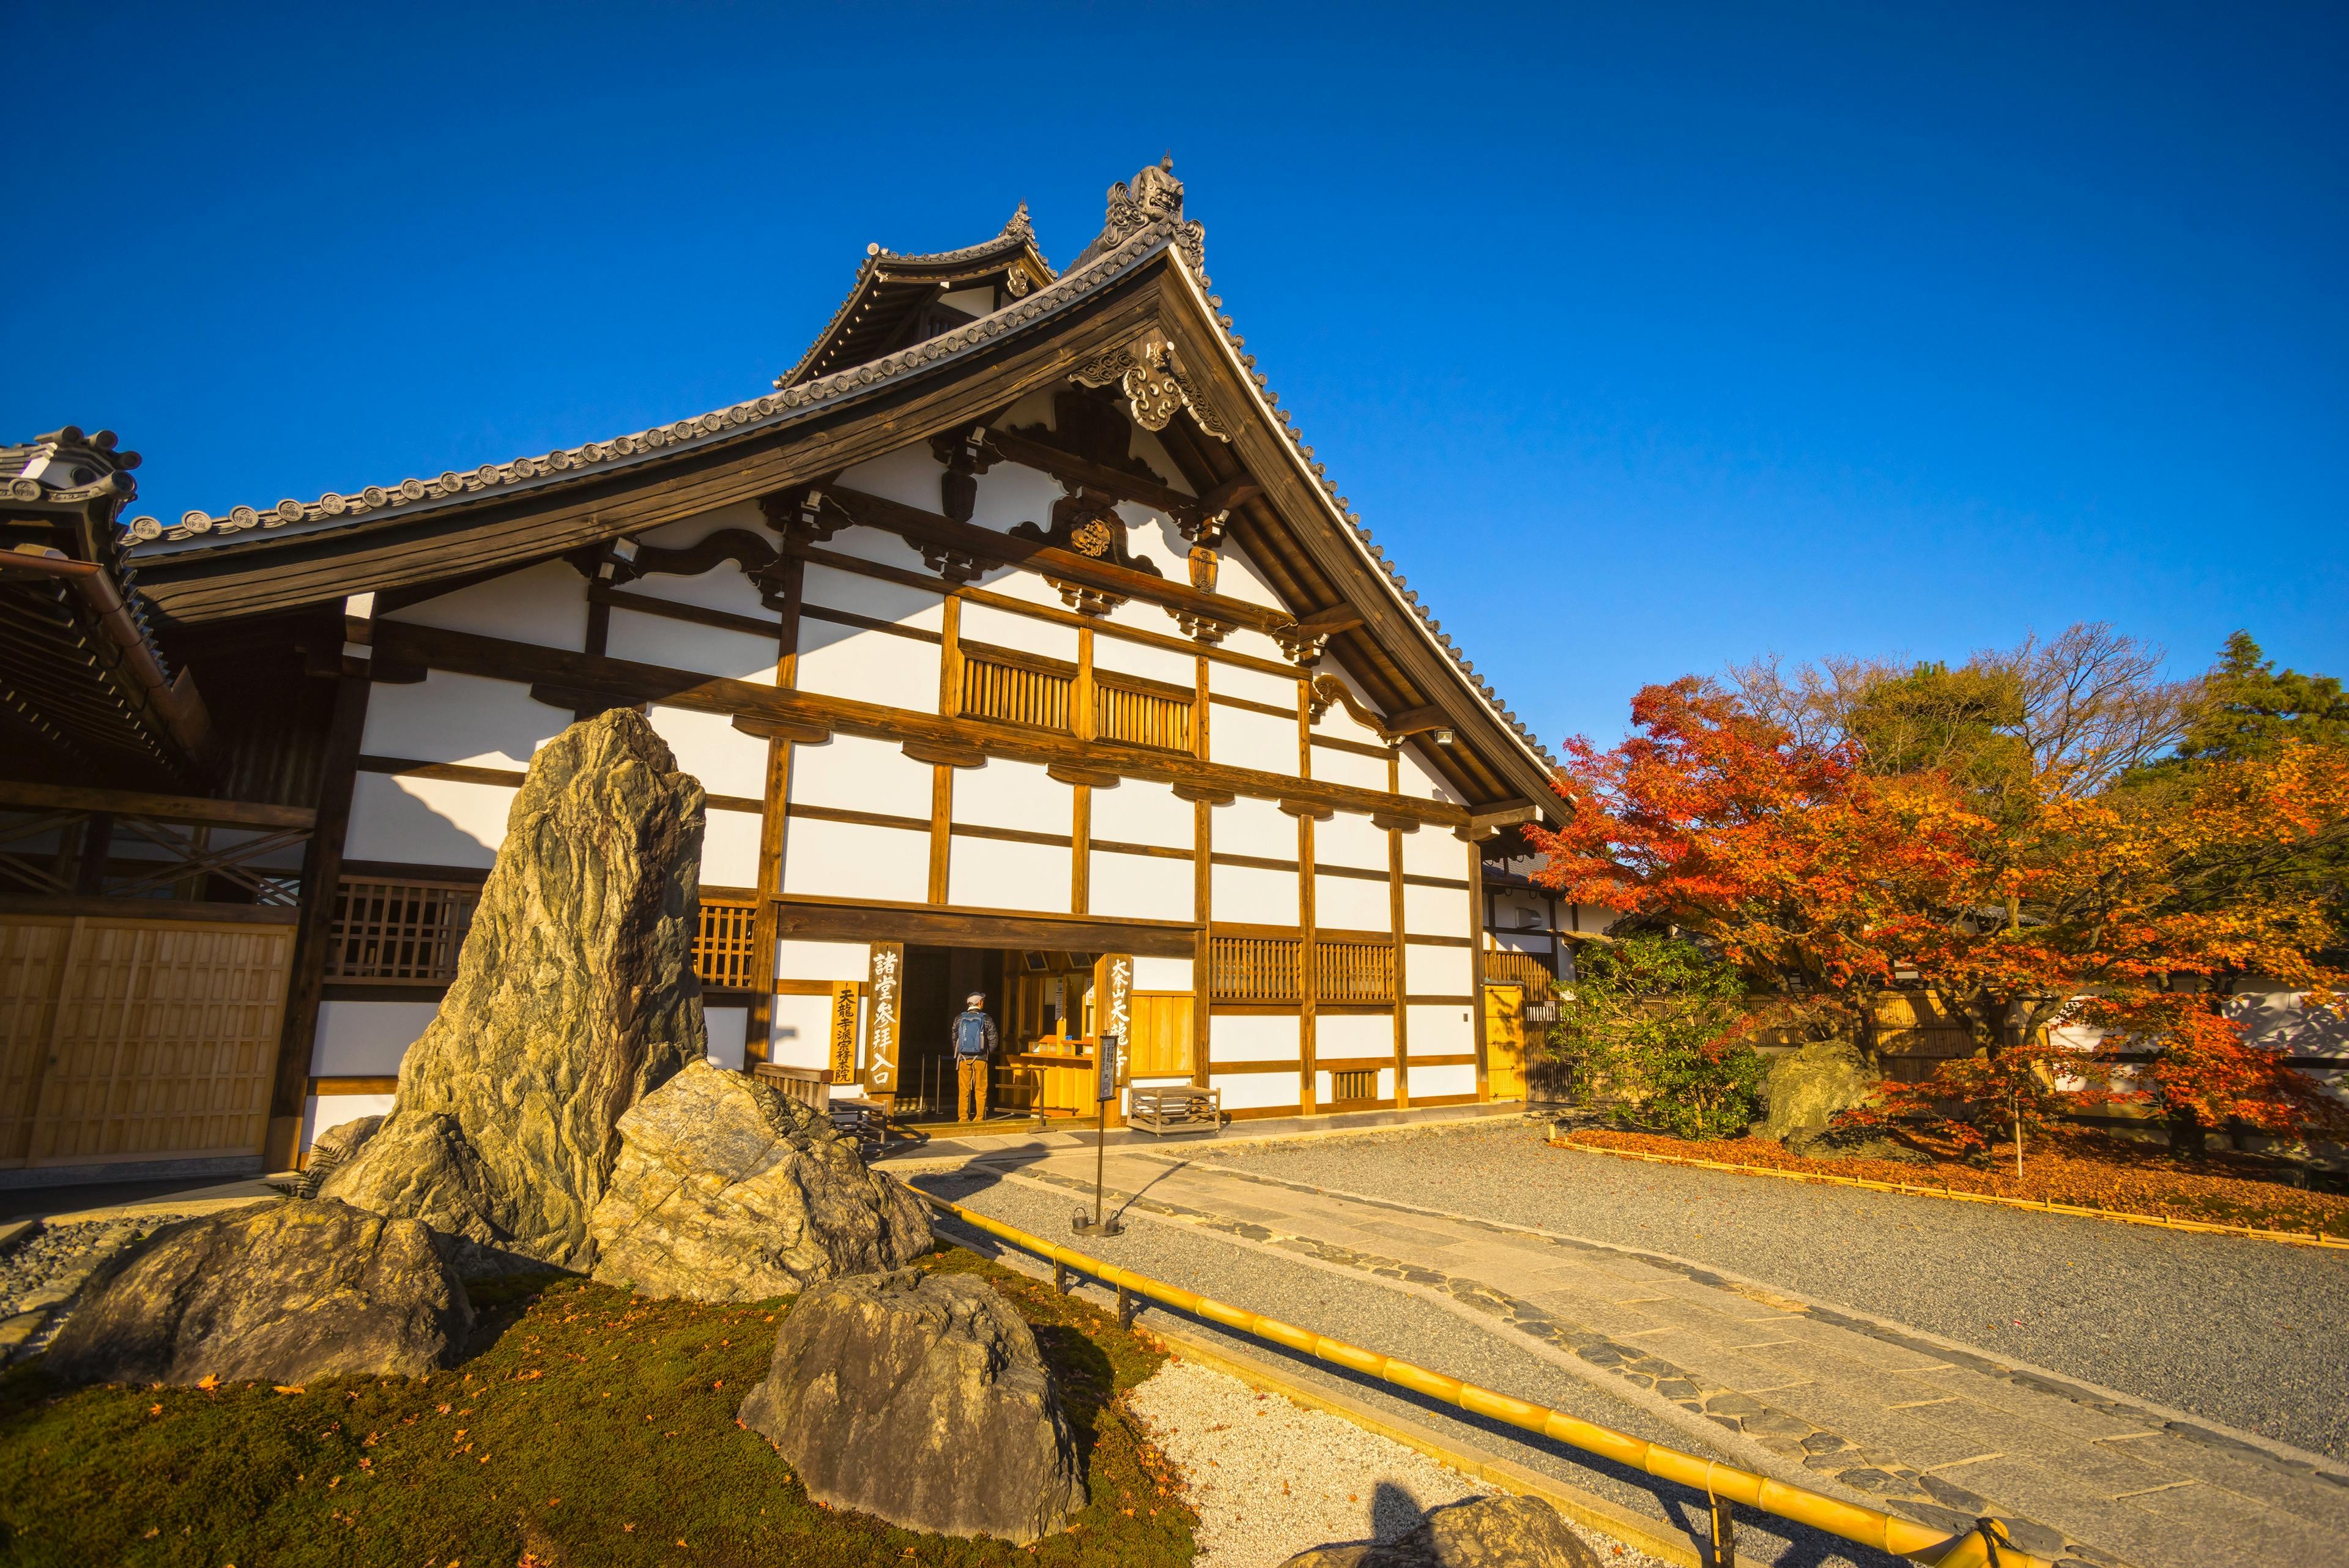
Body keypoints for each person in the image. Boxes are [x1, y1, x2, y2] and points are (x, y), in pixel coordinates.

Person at [952, 992, 1000, 1124]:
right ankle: (979, 1117)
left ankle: (963, 1118)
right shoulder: (986, 1019)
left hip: (963, 1058)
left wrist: (960, 1052)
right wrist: (986, 1053)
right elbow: (994, 1039)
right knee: (981, 1089)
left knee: (964, 1089)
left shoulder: (959, 1018)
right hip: (980, 1058)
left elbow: (954, 1037)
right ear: (980, 1003)